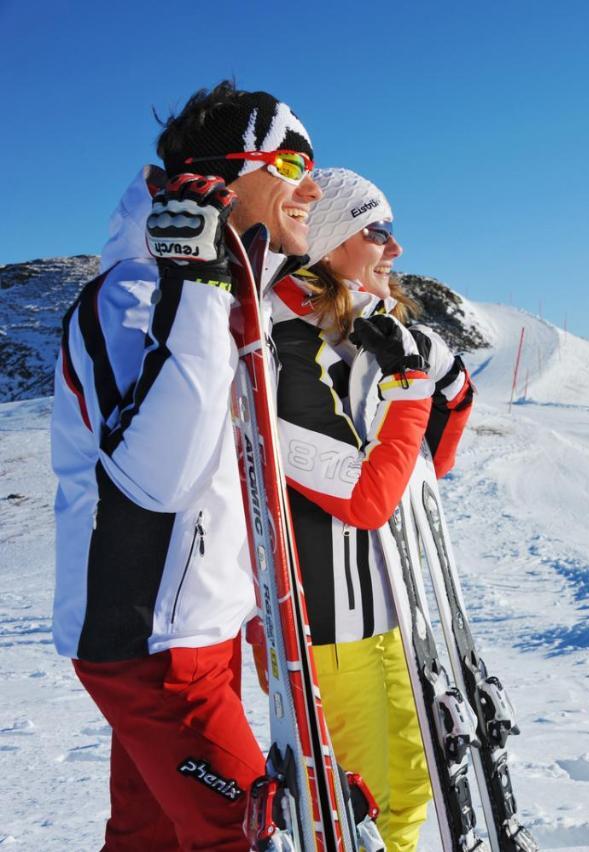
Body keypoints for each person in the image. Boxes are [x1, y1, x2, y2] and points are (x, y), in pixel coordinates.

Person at [51, 82, 319, 850]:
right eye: (294, 161)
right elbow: (155, 481)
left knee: (151, 839)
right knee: (245, 834)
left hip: (195, 632)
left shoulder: (219, 297)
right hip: (149, 643)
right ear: (229, 174)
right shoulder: (130, 297)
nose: (313, 184)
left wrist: (254, 613)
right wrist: (198, 288)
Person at [267, 167, 474, 852]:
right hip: (324, 631)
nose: (396, 248)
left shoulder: (368, 333)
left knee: (411, 789)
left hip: (386, 614)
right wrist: (410, 389)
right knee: (361, 810)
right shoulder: (285, 344)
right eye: (376, 230)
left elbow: (440, 431)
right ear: (328, 243)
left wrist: (434, 385)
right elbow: (364, 498)